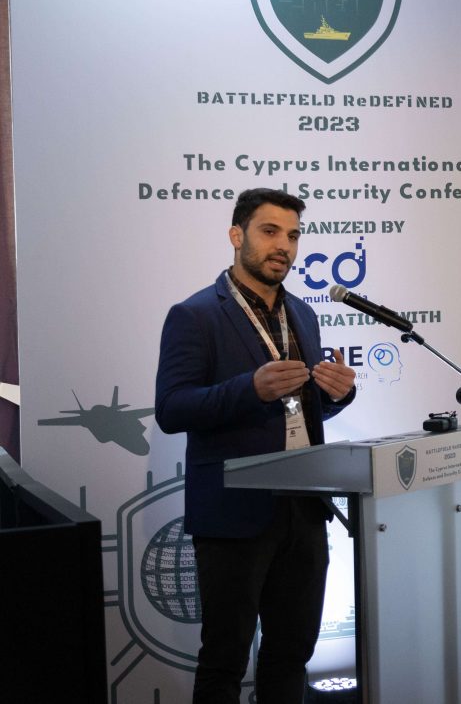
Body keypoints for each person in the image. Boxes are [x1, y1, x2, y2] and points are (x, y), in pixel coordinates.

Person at [155, 188, 357, 704]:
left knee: (292, 653)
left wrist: (338, 395)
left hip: (304, 508)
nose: (283, 246)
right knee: (224, 660)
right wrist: (249, 389)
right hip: (234, 514)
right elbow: (172, 409)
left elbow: (303, 411)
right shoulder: (195, 314)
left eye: (293, 235)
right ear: (236, 235)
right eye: (270, 231)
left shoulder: (303, 315)